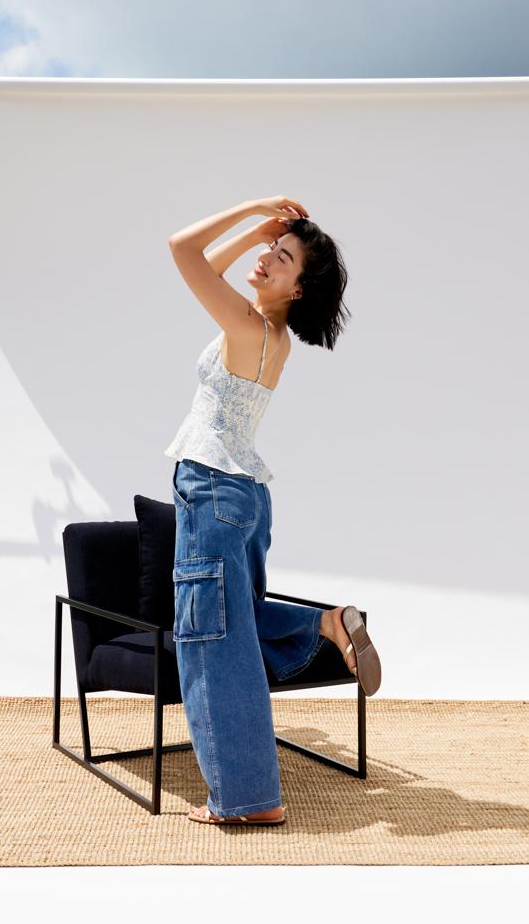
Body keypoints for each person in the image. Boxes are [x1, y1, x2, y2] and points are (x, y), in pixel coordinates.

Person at [163, 195, 379, 828]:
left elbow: (182, 250)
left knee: (212, 644)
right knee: (239, 619)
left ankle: (248, 799)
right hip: (242, 494)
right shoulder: (269, 334)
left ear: (298, 287)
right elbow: (211, 265)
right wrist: (264, 234)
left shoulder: (248, 328)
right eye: (269, 251)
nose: (263, 259)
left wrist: (252, 207)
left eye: (280, 258)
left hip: (212, 490)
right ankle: (327, 624)